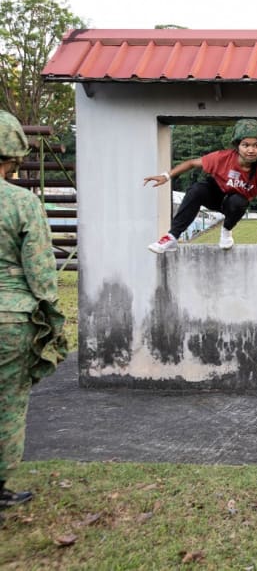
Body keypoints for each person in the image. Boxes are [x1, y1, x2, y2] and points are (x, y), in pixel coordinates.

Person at [0, 111, 67, 524]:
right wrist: (52, 321)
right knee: (8, 402)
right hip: (10, 316)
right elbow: (41, 275)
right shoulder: (22, 203)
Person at [144, 118, 257, 253]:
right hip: (215, 193)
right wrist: (165, 176)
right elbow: (191, 163)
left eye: (256, 145)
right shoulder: (222, 158)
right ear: (237, 146)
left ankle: (226, 230)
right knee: (196, 189)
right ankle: (172, 236)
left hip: (234, 204)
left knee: (239, 201)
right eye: (246, 145)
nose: (251, 150)